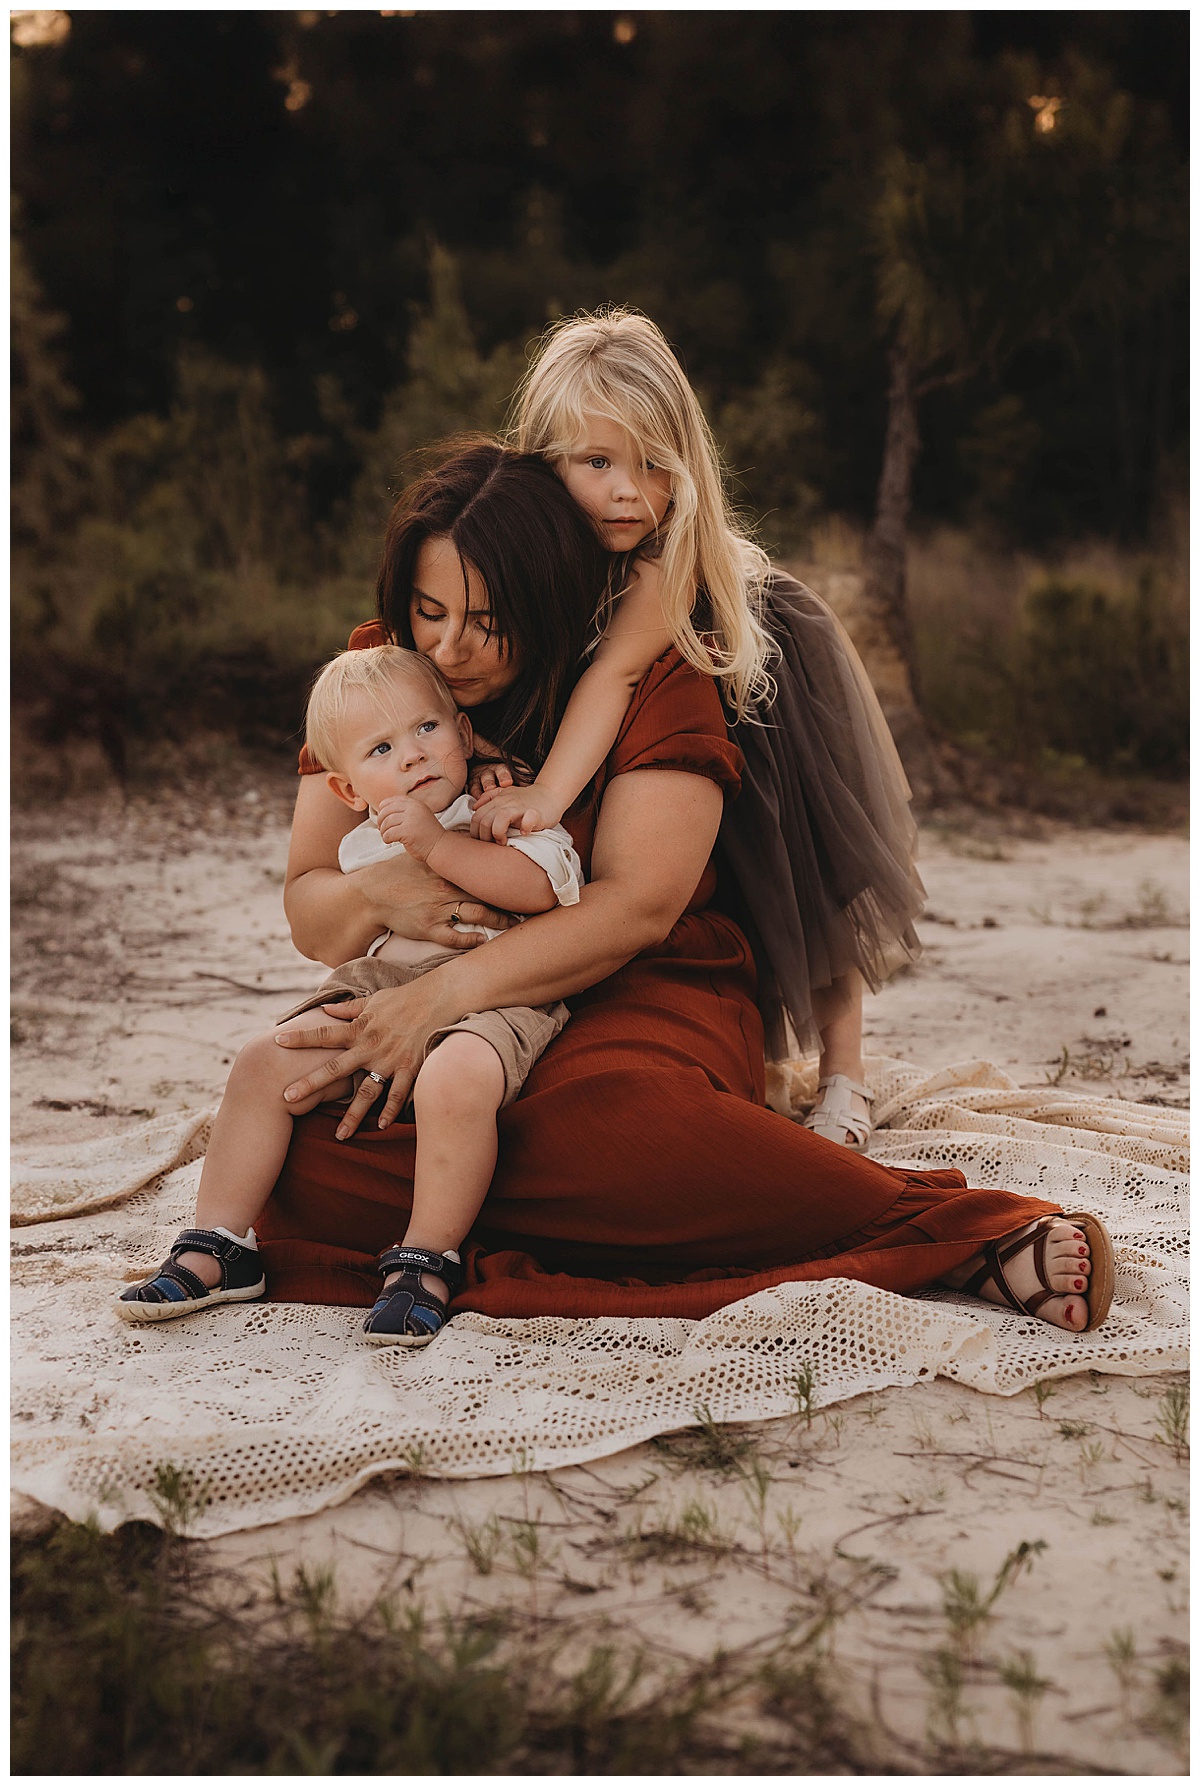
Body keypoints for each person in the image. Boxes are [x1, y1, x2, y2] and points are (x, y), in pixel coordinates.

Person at [261, 439, 1114, 1337]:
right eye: (426, 611)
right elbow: (312, 912)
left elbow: (639, 906)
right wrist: (388, 893)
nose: (447, 646)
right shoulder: (383, 686)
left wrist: (439, 998)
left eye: (486, 619)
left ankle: (957, 1236)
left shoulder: (661, 672)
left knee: (625, 1123)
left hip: (645, 986)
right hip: (455, 1016)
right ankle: (586, 1215)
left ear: (548, 594)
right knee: (309, 1146)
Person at [465, 306, 924, 1155]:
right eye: (595, 462)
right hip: (658, 725)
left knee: (801, 879)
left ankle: (846, 1074)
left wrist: (547, 796)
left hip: (761, 681)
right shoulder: (540, 549)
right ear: (542, 462)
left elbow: (614, 673)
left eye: (653, 465)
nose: (627, 491)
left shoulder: (660, 557)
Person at [116, 641, 583, 1345]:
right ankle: (219, 1243)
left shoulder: (506, 810)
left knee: (455, 1079)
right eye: (381, 749)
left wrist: (437, 843)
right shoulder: (363, 845)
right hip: (383, 984)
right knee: (261, 1060)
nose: (412, 757)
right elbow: (333, 930)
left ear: (463, 734)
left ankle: (426, 1259)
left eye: (427, 729)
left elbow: (541, 890)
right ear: (348, 792)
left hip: (499, 989)